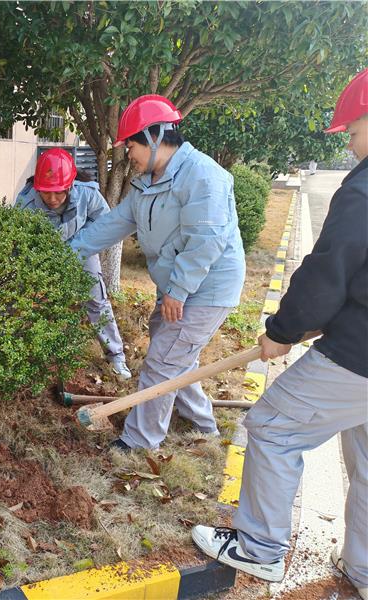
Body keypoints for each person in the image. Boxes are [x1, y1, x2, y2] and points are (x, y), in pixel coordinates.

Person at [191, 69, 368, 598]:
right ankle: (363, 568)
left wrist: (283, 330)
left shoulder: (363, 191)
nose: (352, 143)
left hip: (359, 355)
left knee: (271, 427)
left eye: (354, 131)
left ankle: (259, 548)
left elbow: (327, 272)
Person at [69, 95, 246, 452]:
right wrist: (64, 254)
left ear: (154, 137)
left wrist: (178, 291)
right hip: (176, 286)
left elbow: (206, 241)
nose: (128, 154)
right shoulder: (147, 183)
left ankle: (139, 442)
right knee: (176, 356)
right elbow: (112, 225)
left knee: (163, 361)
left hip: (206, 288)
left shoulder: (203, 176)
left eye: (131, 145)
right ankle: (202, 424)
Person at [15, 148, 131, 379]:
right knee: (38, 303)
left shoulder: (87, 194)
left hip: (83, 250)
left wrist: (79, 245)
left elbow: (104, 223)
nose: (52, 199)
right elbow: (20, 240)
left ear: (70, 185)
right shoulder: (26, 203)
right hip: (44, 255)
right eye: (46, 193)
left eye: (59, 192)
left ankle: (116, 356)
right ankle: (34, 356)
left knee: (97, 301)